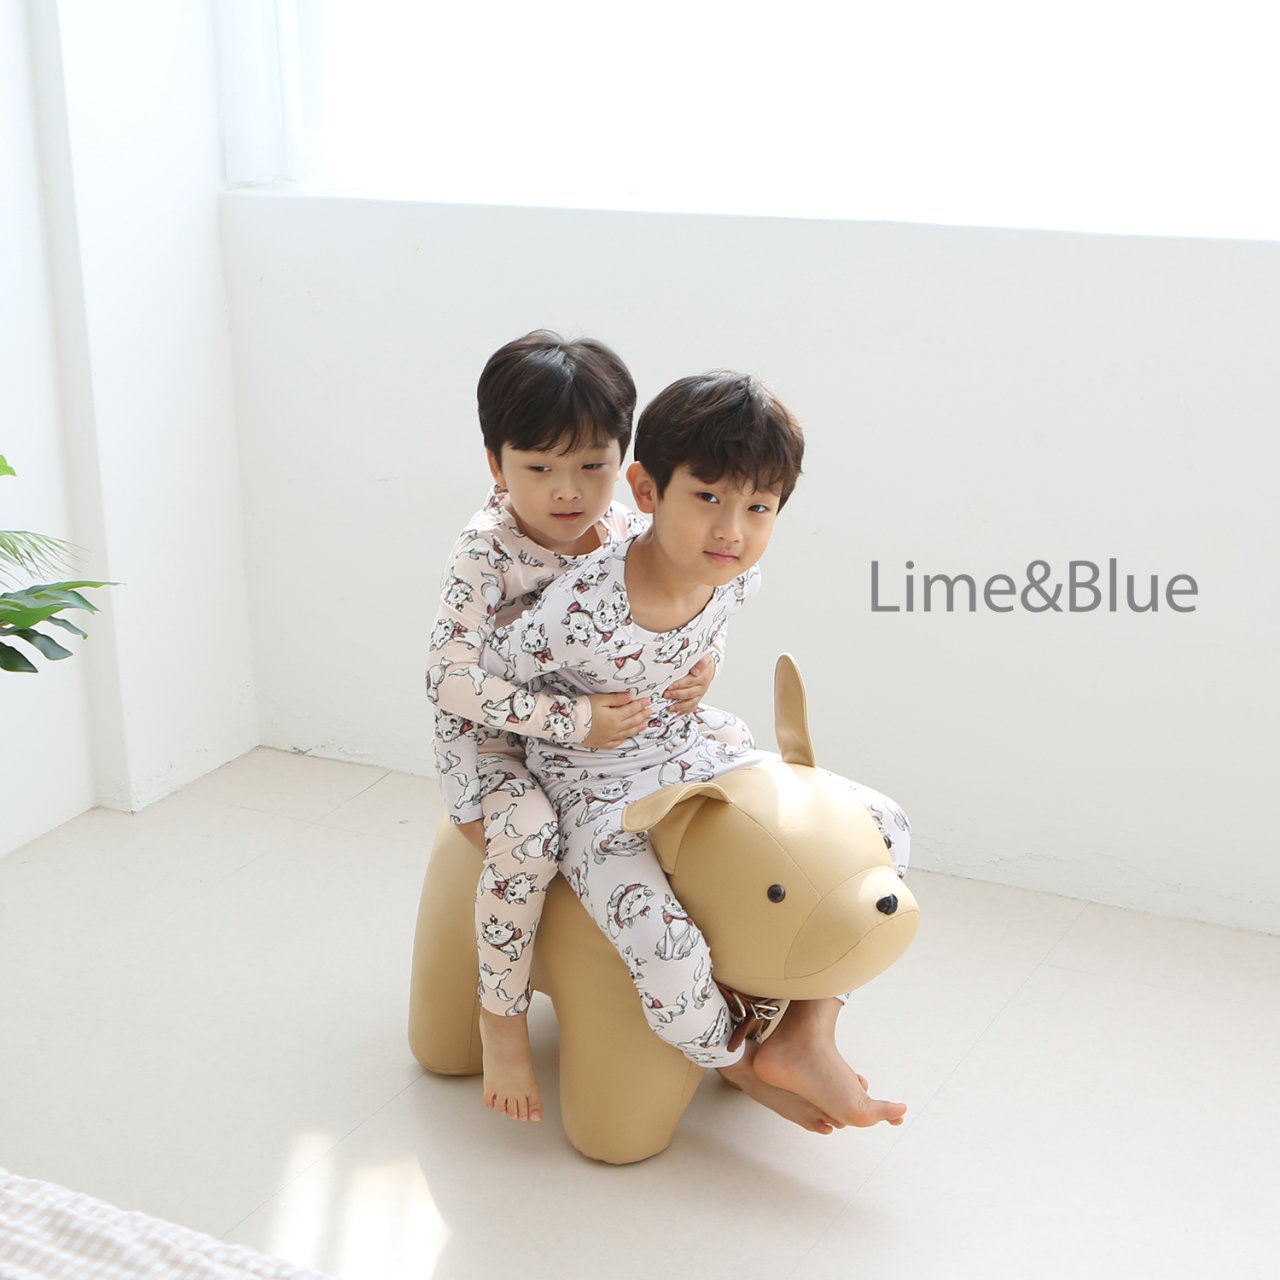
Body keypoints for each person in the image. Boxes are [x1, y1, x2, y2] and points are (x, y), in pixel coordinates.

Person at [486, 371, 911, 1133]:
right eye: (708, 497)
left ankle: (808, 1031)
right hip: (591, 783)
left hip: (692, 748)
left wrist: (708, 663)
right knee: (663, 938)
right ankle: (738, 1062)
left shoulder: (735, 579)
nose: (732, 531)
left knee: (882, 825)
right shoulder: (582, 608)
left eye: (758, 507)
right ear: (647, 491)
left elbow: (710, 631)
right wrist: (574, 721)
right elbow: (492, 675)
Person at [425, 332, 752, 1124]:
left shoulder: (624, 530)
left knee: (736, 748)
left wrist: (703, 665)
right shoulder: (485, 554)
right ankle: (500, 1018)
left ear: (625, 462)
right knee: (530, 840)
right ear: (496, 464)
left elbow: (697, 602)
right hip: (500, 747)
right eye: (539, 469)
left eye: (592, 465)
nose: (568, 492)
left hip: (612, 739)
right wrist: (571, 721)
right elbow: (449, 679)